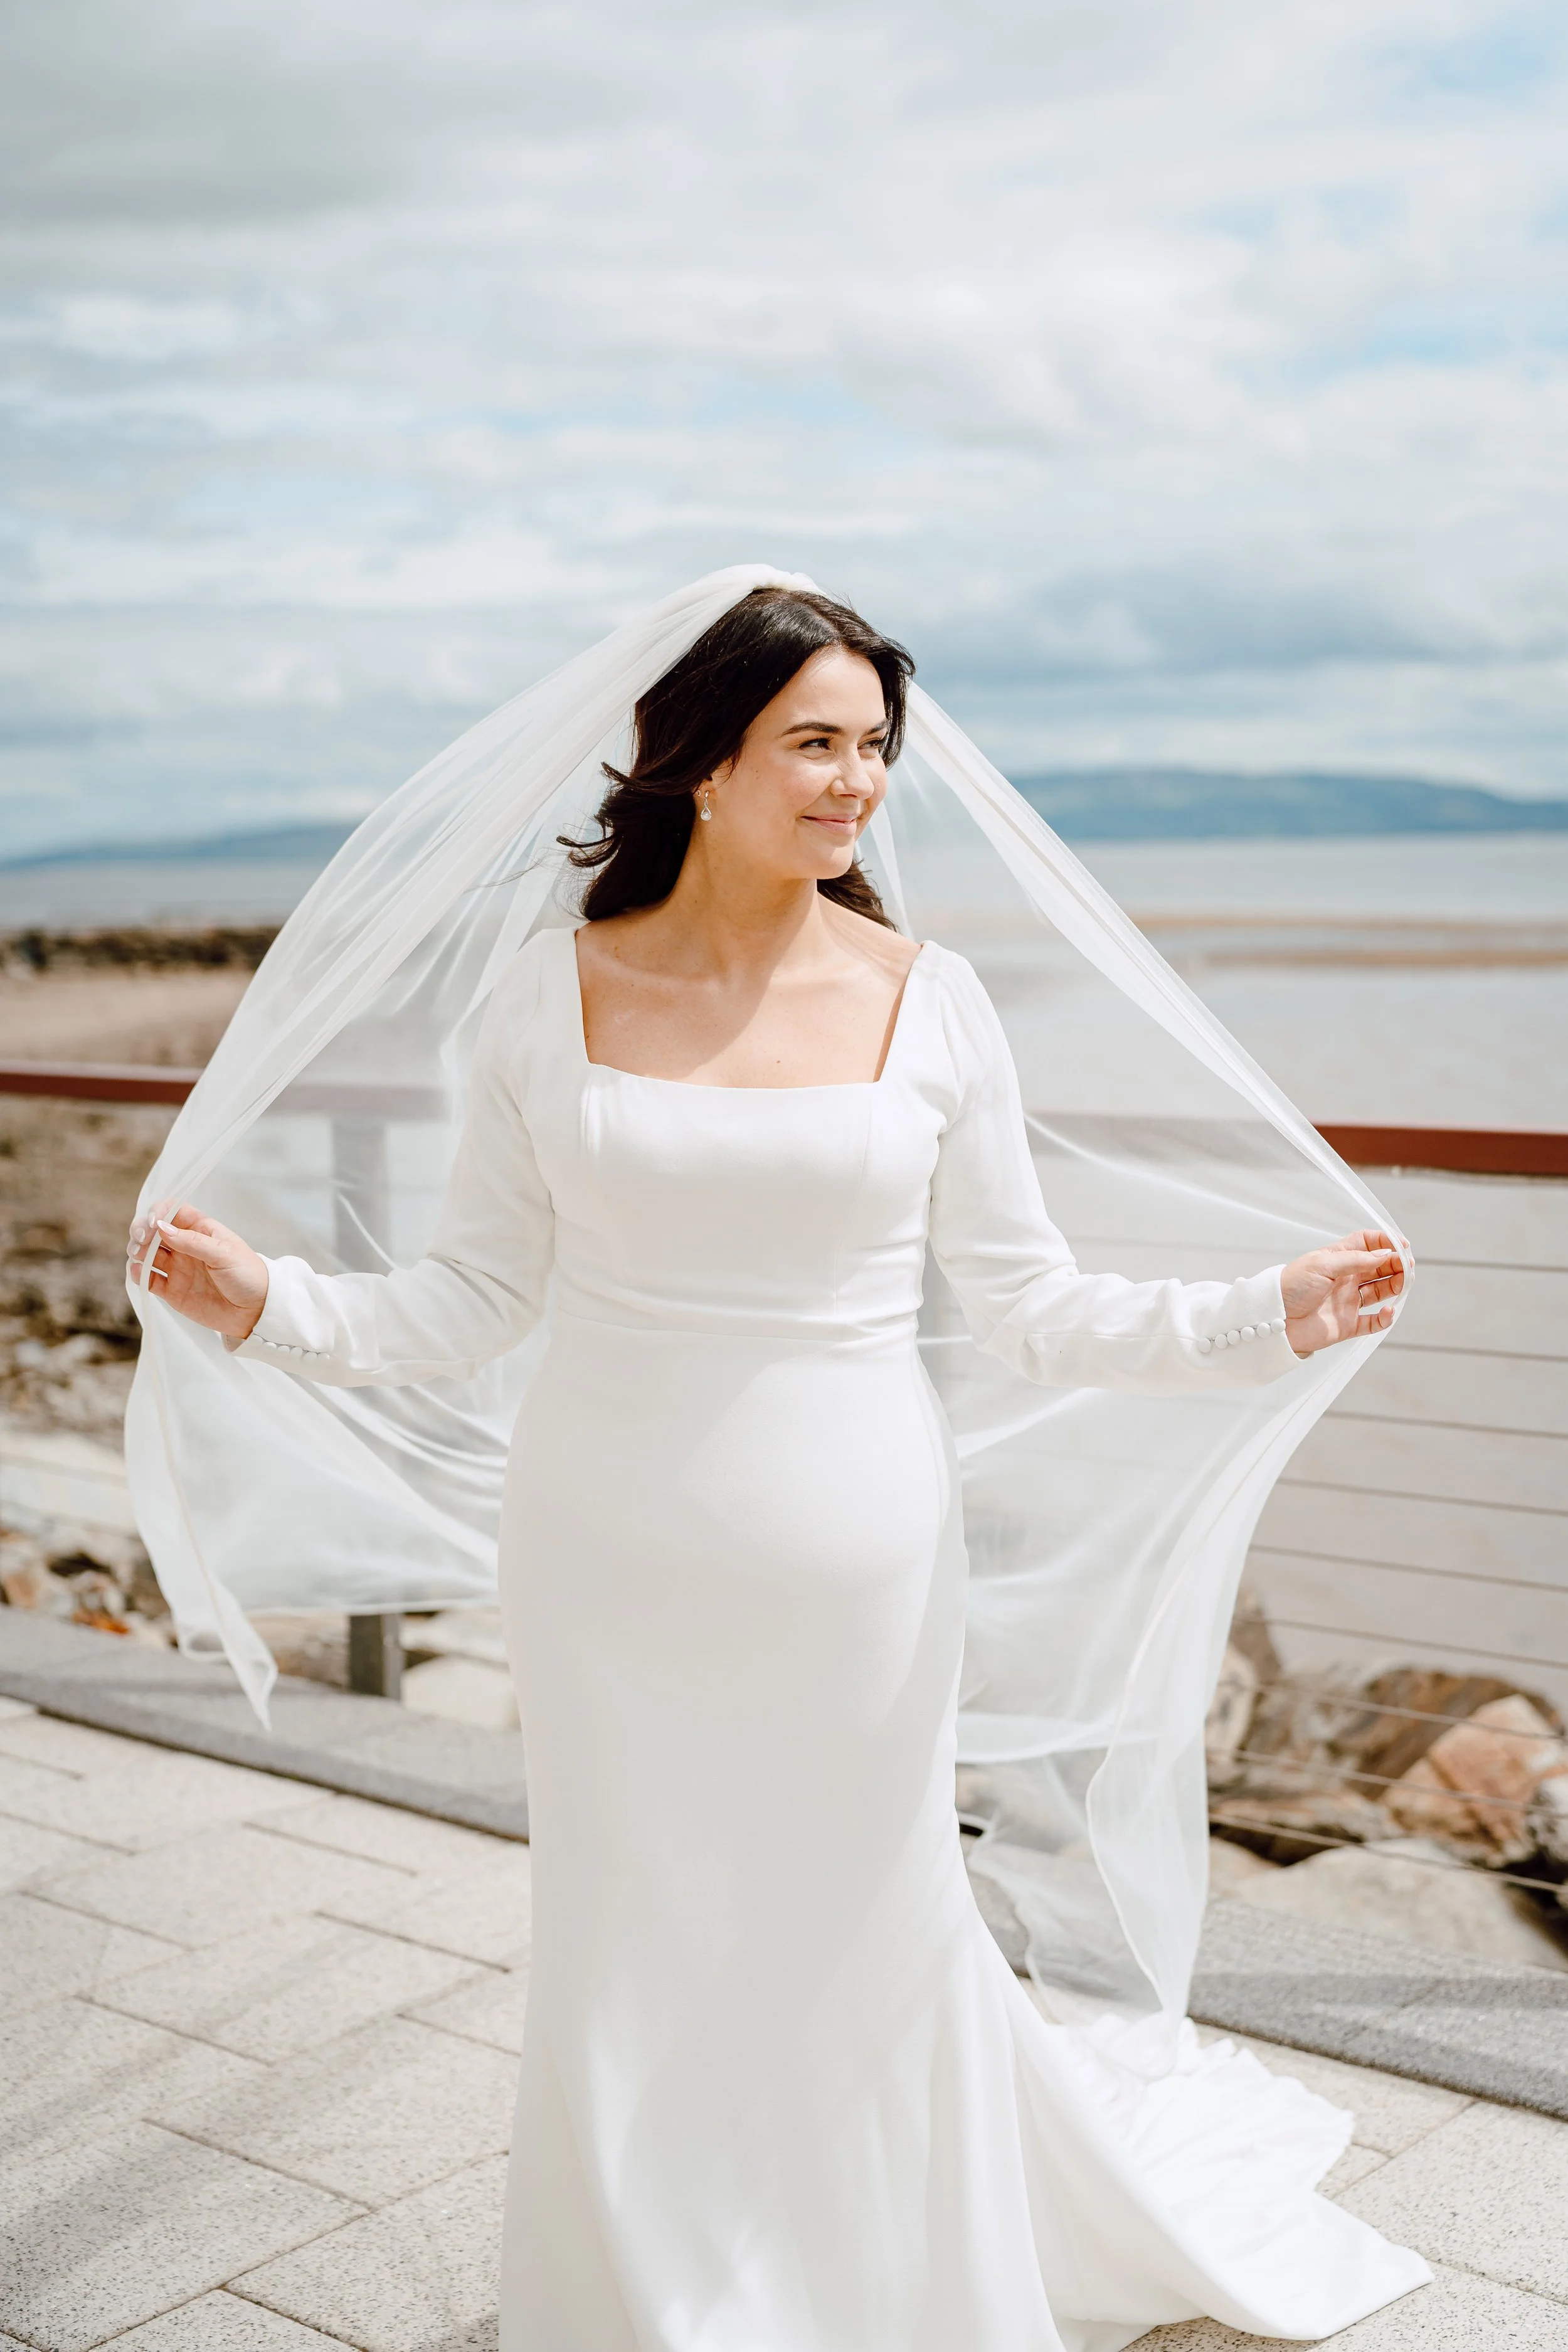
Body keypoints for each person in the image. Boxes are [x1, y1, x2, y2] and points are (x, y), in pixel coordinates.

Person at [130, 586, 1425, 2349]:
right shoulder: (546, 992)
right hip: (603, 1543)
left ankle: (891, 2277)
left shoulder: (931, 997)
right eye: (814, 741)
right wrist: (266, 1300)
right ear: (701, 761)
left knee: (860, 1911)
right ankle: (642, 2295)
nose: (855, 781)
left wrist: (1253, 1313)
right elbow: (475, 1295)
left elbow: (1035, 1306)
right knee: (630, 1926)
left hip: (859, 1553)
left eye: (874, 745)